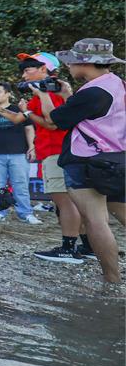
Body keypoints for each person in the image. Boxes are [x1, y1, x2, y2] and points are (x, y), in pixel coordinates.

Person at [0, 52, 88, 261]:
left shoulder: (54, 92)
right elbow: (17, 119)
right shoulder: (38, 95)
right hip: (52, 152)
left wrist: (33, 108)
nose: (23, 75)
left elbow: (52, 122)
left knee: (65, 201)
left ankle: (69, 248)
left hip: (58, 151)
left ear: (44, 69)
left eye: (27, 70)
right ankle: (87, 246)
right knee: (69, 201)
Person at [40, 38, 126, 283]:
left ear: (83, 62)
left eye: (71, 62)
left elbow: (55, 120)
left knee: (96, 221)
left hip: (87, 162)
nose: (68, 67)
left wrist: (43, 94)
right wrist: (68, 94)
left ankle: (112, 279)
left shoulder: (93, 93)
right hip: (118, 160)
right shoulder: (117, 85)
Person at [0, 83, 39, 224]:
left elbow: (29, 128)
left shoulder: (19, 110)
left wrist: (31, 146)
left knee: (21, 185)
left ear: (8, 93)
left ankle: (25, 213)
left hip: (18, 153)